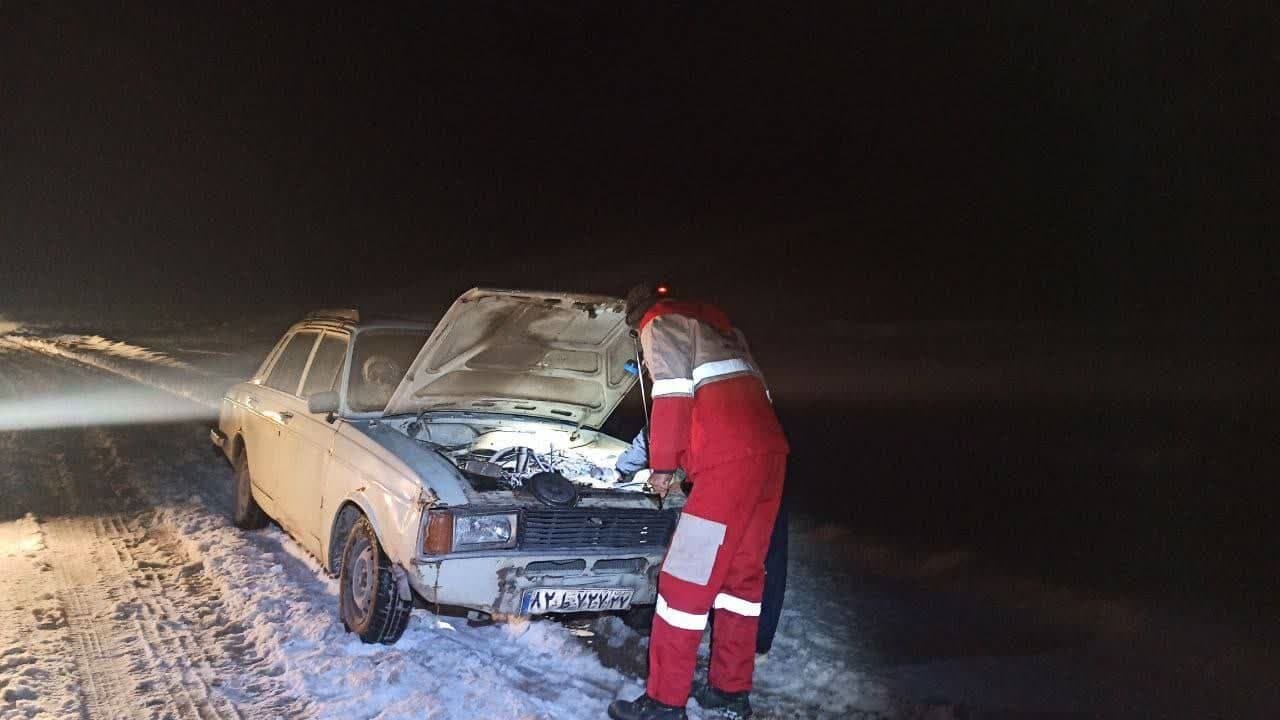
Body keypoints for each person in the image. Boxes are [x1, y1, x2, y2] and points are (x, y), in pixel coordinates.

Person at [608, 284, 789, 720]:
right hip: (769, 458)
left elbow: (671, 395)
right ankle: (730, 693)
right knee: (741, 581)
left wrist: (664, 467)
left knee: (683, 582)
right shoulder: (724, 332)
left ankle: (665, 702)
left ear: (637, 317)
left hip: (726, 466)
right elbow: (760, 397)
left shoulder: (660, 323)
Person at [613, 430, 788, 661]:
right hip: (765, 470)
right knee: (750, 568)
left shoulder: (697, 405)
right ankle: (747, 645)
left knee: (737, 570)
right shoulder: (743, 403)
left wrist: (628, 471)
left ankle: (747, 645)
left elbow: (660, 431)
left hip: (733, 479)